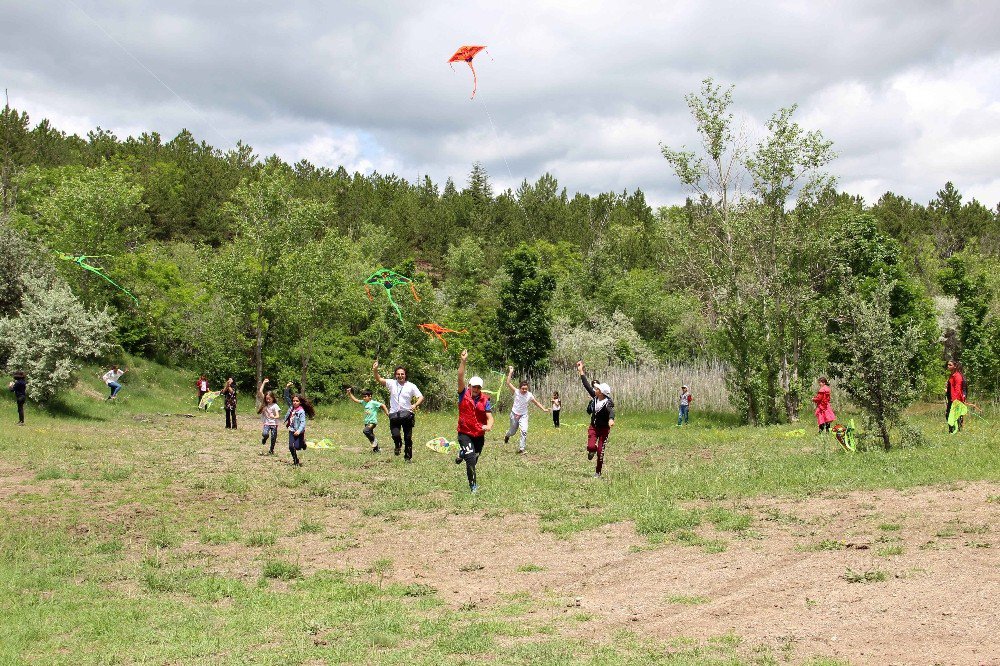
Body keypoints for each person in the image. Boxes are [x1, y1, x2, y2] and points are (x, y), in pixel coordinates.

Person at [455, 349, 494, 493]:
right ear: (469, 386)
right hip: (464, 432)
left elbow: (490, 417)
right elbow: (460, 377)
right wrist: (463, 361)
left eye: (478, 387)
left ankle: (462, 453)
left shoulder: (485, 400)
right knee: (471, 460)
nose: (476, 389)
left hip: (479, 434)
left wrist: (488, 426)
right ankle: (473, 487)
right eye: (474, 386)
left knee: (474, 459)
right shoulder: (463, 394)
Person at [373, 360, 424, 461]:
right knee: (395, 435)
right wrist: (375, 370)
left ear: (405, 375)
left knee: (408, 437)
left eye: (402, 374)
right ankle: (398, 445)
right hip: (394, 415)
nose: (400, 376)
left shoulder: (411, 386)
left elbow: (421, 397)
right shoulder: (391, 383)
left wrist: (415, 404)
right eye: (398, 374)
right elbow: (379, 379)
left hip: (407, 414)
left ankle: (407, 458)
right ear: (395, 375)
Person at [577, 361, 615, 478]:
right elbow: (586, 385)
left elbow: (611, 411)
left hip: (604, 430)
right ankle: (591, 451)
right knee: (591, 447)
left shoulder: (608, 403)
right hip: (593, 427)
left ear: (602, 392)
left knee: (600, 452)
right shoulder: (595, 397)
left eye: (597, 389)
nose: (595, 389)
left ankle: (598, 472)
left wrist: (611, 419)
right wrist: (581, 371)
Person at [502, 366, 549, 453]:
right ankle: (507, 436)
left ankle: (521, 449)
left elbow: (536, 402)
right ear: (520, 388)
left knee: (524, 431)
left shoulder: (529, 395)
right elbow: (508, 383)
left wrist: (544, 409)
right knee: (512, 432)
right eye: (523, 389)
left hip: (524, 415)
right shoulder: (516, 392)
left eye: (526, 389)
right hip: (514, 414)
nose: (524, 390)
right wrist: (511, 372)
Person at [346, 387, 390, 452]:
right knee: (370, 435)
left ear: (370, 396)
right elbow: (355, 400)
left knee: (366, 431)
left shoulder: (373, 403)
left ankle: (375, 442)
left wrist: (387, 413)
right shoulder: (364, 402)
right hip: (367, 422)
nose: (364, 398)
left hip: (372, 422)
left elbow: (383, 405)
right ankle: (377, 449)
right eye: (363, 397)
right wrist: (350, 394)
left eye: (365, 396)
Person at [285, 393, 315, 466]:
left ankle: (303, 444)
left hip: (299, 432)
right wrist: (287, 388)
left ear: (300, 402)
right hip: (292, 430)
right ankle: (295, 459)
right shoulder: (291, 408)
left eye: (297, 401)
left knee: (298, 447)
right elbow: (286, 397)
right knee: (291, 446)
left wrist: (298, 431)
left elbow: (302, 423)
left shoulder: (301, 411)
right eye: (294, 401)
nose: (295, 402)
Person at [257, 378, 280, 454]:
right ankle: (265, 438)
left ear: (273, 398)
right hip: (267, 423)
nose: (268, 400)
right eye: (266, 399)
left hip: (274, 423)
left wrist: (274, 416)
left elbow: (277, 415)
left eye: (269, 399)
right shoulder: (265, 403)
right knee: (265, 433)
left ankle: (271, 449)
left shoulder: (275, 406)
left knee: (273, 437)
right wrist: (263, 383)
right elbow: (260, 392)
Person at [946, 360, 967, 433]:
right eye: (948, 364)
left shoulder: (957, 376)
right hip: (952, 399)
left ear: (955, 366)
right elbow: (952, 387)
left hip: (956, 400)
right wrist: (947, 389)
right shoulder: (952, 375)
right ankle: (953, 431)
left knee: (954, 415)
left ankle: (956, 431)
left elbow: (958, 389)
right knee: (950, 415)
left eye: (950, 365)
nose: (948, 366)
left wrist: (955, 400)